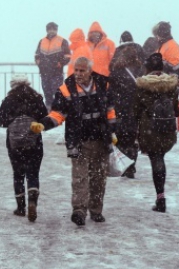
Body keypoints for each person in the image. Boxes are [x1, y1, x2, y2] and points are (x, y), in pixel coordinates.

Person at [30, 57, 117, 226]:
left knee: (99, 178)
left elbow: (110, 111)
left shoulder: (103, 85)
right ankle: (79, 211)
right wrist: (43, 124)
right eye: (76, 70)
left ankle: (96, 210)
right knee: (80, 178)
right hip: (79, 141)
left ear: (90, 71)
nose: (78, 74)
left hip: (101, 139)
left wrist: (113, 131)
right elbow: (58, 114)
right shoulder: (65, 89)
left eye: (82, 70)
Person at [0, 74, 48, 222]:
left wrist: (14, 123)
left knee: (18, 174)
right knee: (33, 173)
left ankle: (20, 208)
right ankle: (33, 202)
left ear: (13, 85)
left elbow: (0, 121)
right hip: (34, 141)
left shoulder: (9, 100)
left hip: (14, 144)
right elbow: (45, 118)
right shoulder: (36, 98)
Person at [134, 53, 179, 212]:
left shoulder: (142, 85)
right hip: (167, 129)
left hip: (150, 129)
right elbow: (176, 110)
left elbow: (136, 110)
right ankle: (161, 196)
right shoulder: (171, 85)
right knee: (160, 157)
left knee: (156, 159)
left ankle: (160, 198)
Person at [108, 31, 145, 178]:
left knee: (121, 138)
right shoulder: (140, 71)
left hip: (120, 109)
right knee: (132, 138)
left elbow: (110, 93)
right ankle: (131, 167)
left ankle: (124, 164)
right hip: (135, 109)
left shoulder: (115, 73)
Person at [35, 22, 71, 110]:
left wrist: (60, 63)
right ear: (47, 30)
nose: (52, 31)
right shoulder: (42, 41)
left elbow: (68, 56)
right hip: (44, 73)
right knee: (47, 94)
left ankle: (58, 112)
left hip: (56, 73)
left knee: (57, 93)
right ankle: (49, 112)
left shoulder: (62, 41)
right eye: (50, 29)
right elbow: (37, 55)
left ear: (56, 30)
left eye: (54, 29)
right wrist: (40, 63)